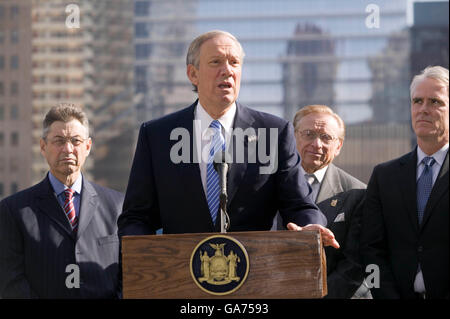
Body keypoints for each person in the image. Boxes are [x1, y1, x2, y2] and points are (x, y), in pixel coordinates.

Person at [118, 30, 339, 248]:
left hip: (257, 272)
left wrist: (311, 226)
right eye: (216, 62)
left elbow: (300, 205)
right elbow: (137, 217)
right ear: (193, 74)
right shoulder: (157, 135)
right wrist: (139, 250)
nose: (227, 71)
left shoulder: (274, 132)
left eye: (234, 63)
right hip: (181, 275)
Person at [0, 103, 124, 298]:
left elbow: (129, 277)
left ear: (88, 146)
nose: (68, 149)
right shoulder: (13, 210)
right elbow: (11, 282)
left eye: (75, 141)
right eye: (59, 141)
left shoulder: (117, 206)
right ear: (43, 146)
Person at [361, 66, 449, 299]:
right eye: (417, 101)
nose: (423, 109)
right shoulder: (384, 176)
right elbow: (371, 250)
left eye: (435, 102)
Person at [276, 104, 370, 298]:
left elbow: (356, 263)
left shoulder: (358, 193)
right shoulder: (268, 184)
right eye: (309, 134)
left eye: (326, 137)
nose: (317, 144)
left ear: (338, 146)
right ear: (293, 137)